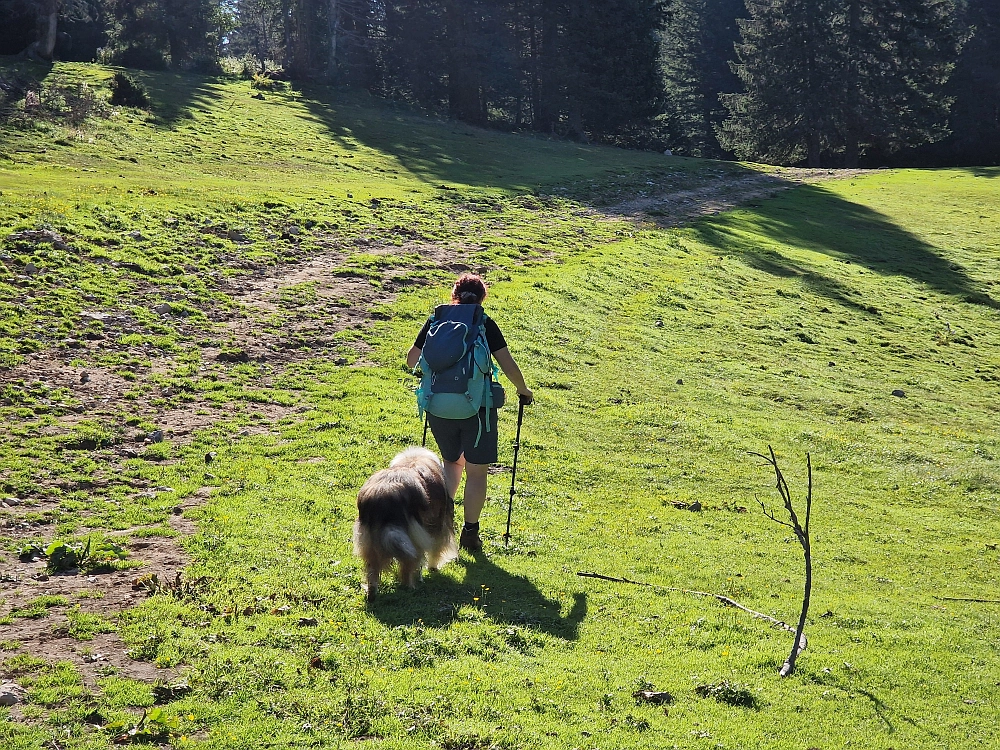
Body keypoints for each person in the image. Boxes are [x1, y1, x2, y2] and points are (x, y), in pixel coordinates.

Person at [406, 274, 533, 552]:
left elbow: (411, 359)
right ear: (482, 298)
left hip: (437, 407)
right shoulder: (483, 324)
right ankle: (470, 533)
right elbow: (507, 364)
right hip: (476, 410)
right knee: (476, 471)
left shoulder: (436, 320)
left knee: (451, 464)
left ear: (455, 294)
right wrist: (523, 390)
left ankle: (439, 523)